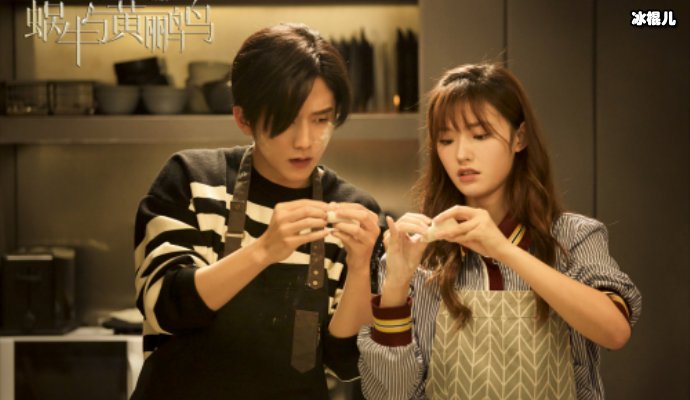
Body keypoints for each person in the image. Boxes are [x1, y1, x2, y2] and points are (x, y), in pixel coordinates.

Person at [357, 63, 642, 400]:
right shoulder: (419, 249)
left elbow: (615, 332)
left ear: (519, 138)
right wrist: (394, 286)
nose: (462, 154)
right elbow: (389, 395)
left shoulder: (573, 236)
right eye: (446, 140)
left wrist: (503, 250)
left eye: (480, 135)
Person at [131, 23, 382, 399]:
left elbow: (345, 362)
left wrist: (361, 267)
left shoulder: (351, 210)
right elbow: (164, 307)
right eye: (285, 120)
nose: (305, 141)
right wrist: (264, 250)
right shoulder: (193, 180)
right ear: (243, 118)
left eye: (320, 119)